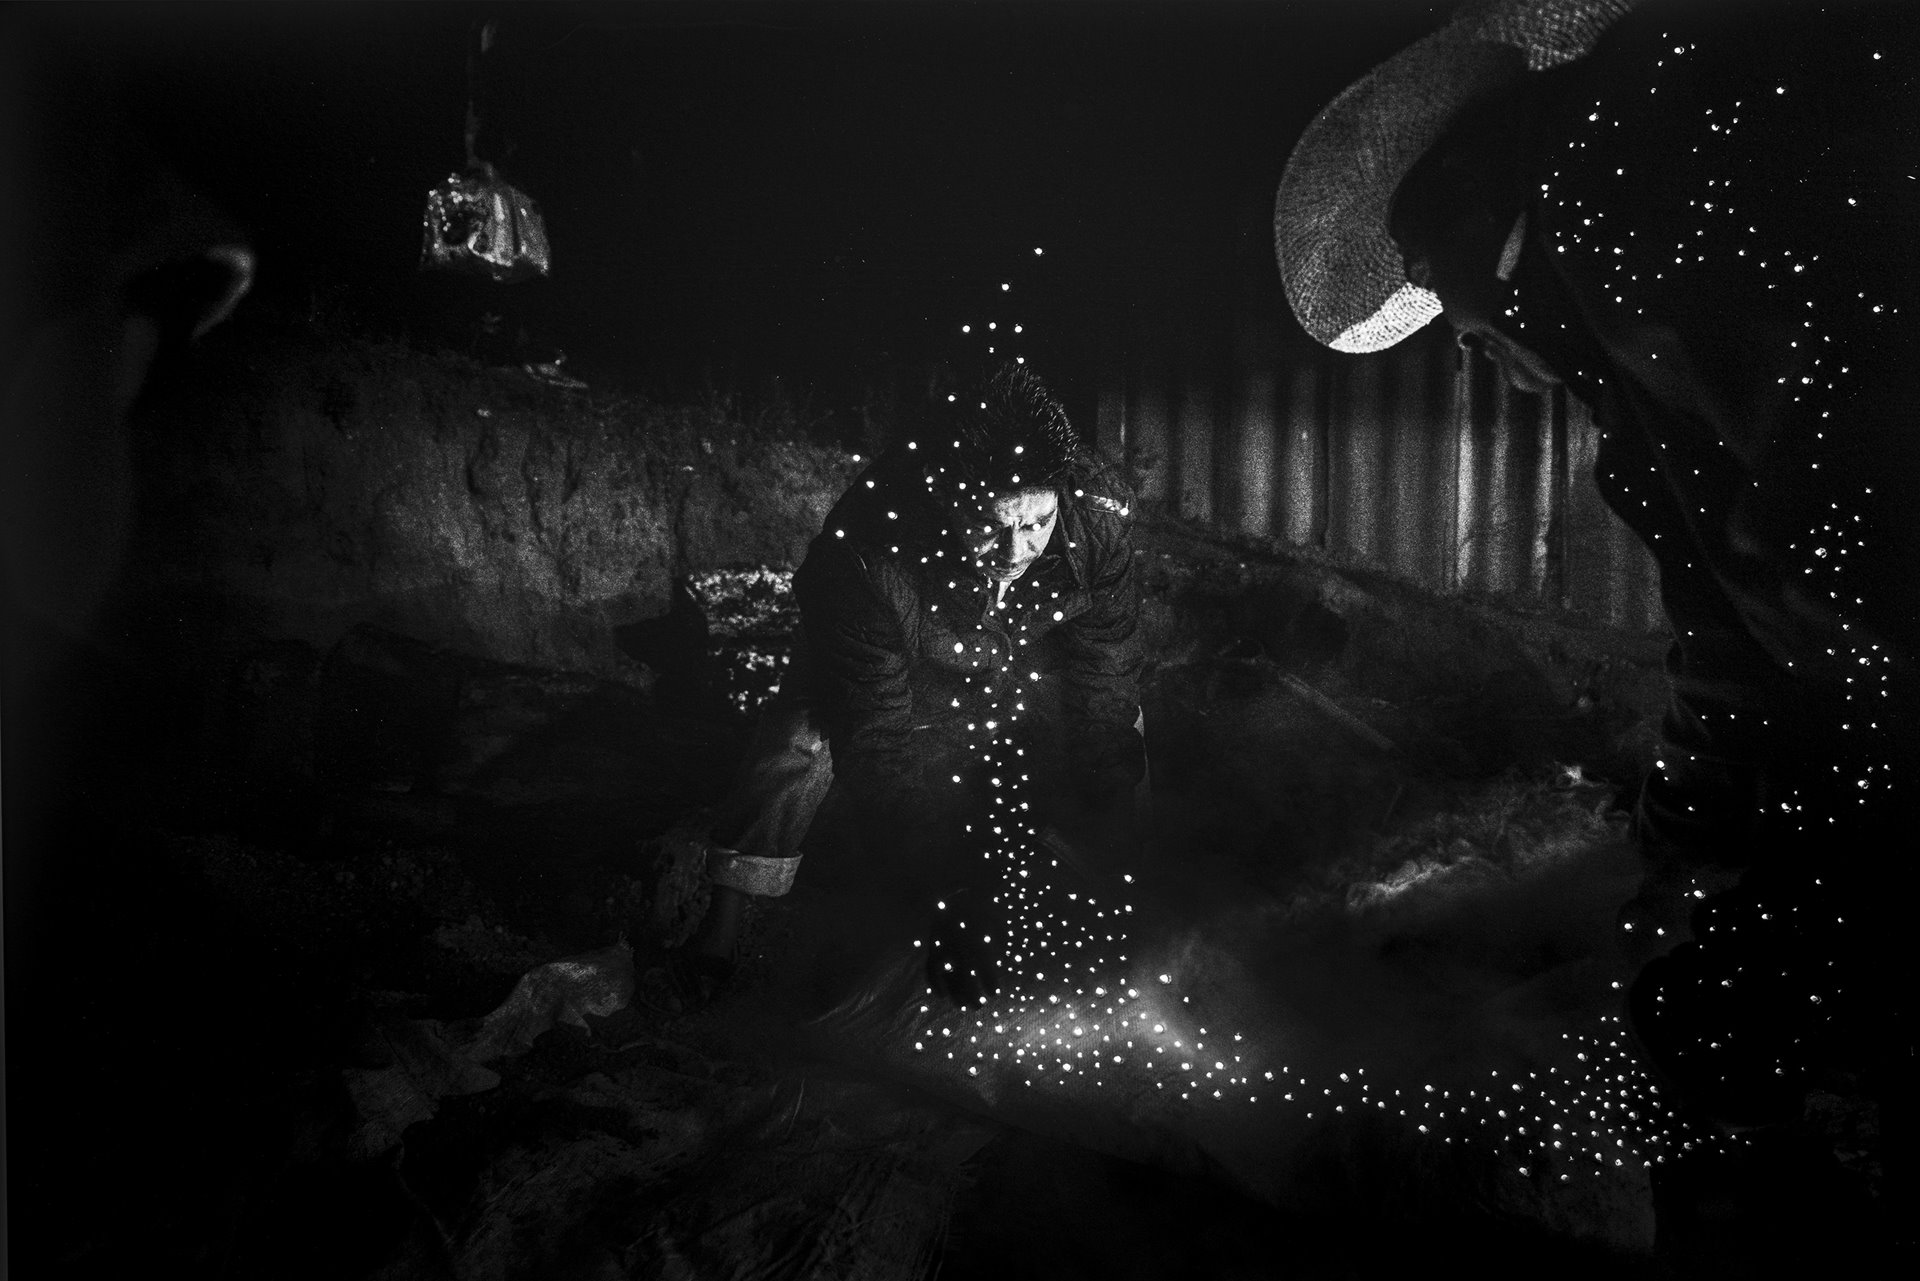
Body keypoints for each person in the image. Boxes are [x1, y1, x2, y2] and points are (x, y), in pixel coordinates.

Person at [1275, 0, 1916, 1125]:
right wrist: (1680, 851)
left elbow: (1865, 605)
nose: (1478, 356)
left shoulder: (1641, 211)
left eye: (1446, 299)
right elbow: (1728, 623)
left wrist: (1771, 936)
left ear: (1481, 216)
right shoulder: (1621, 279)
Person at [667, 360, 1147, 1010]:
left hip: (1000, 645)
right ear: (949, 494)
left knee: (1125, 721)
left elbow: (1103, 685)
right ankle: (724, 919)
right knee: (805, 736)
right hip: (888, 649)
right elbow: (878, 737)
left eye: (1034, 524)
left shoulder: (1095, 535)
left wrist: (1112, 836)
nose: (1014, 549)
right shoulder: (862, 553)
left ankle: (1107, 898)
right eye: (992, 524)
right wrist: (945, 899)